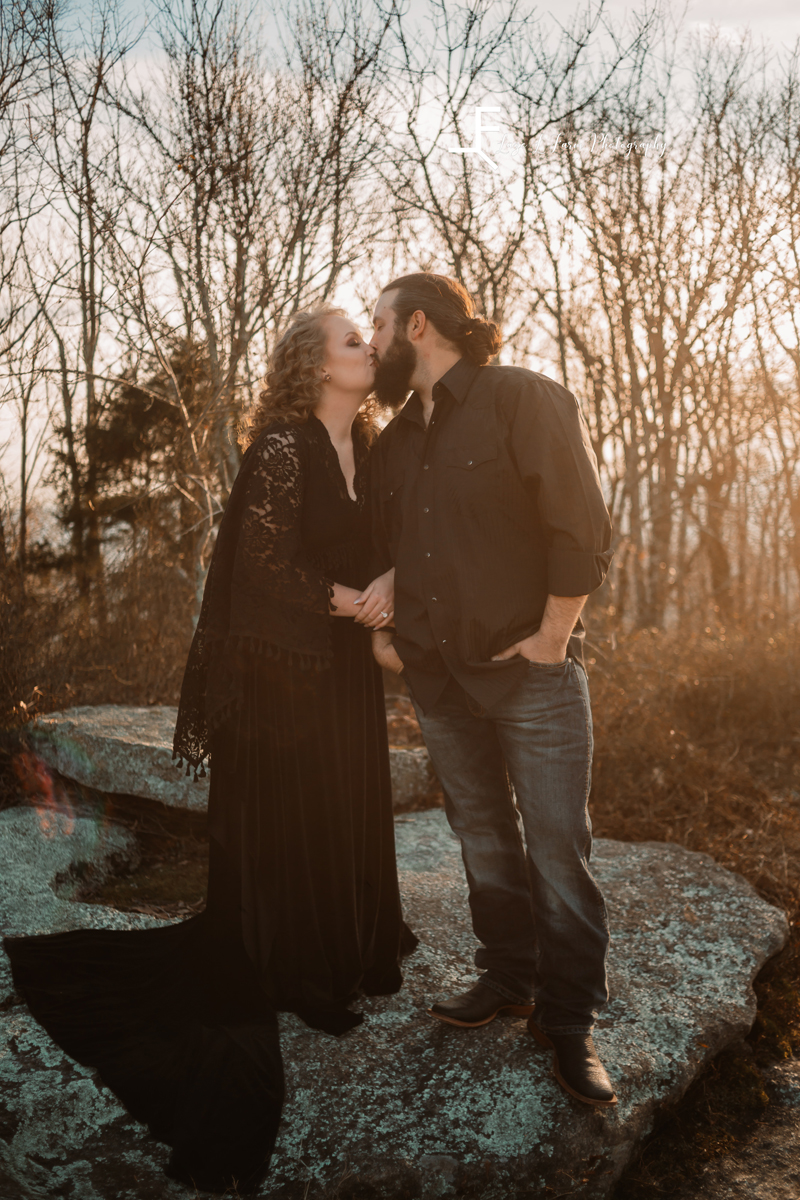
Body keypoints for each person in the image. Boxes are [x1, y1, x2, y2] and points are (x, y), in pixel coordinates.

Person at [3, 305, 416, 1193]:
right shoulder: (282, 449)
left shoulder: (371, 447)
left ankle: (344, 941)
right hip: (278, 677)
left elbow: (394, 540)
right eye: (353, 339)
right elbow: (263, 567)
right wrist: (357, 603)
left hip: (343, 672)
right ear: (315, 366)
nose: (369, 348)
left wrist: (387, 582)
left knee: (340, 805)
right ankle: (291, 957)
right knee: (295, 813)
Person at [368, 272, 617, 1108]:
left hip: (531, 676)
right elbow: (389, 552)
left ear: (417, 325)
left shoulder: (521, 398)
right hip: (440, 682)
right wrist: (387, 640)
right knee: (480, 839)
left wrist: (552, 638)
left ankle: (569, 1019)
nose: (372, 343)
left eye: (378, 326)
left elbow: (580, 524)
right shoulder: (396, 441)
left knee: (557, 848)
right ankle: (509, 978)